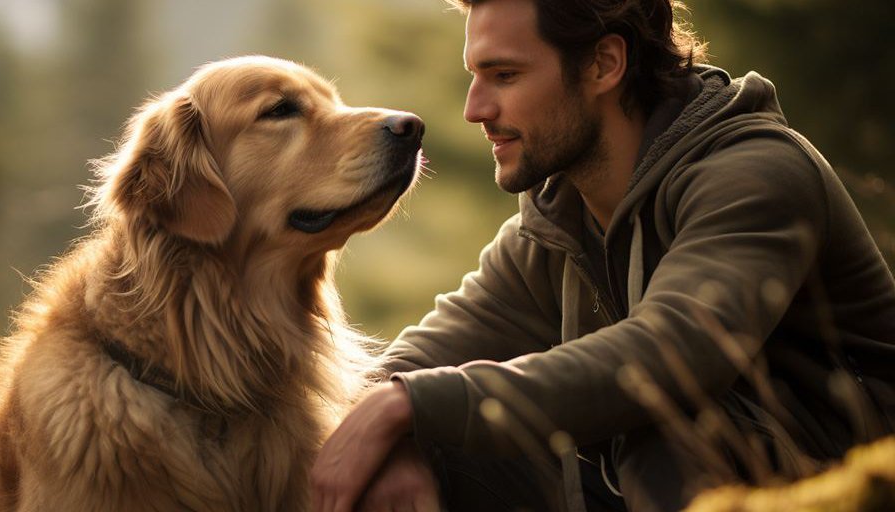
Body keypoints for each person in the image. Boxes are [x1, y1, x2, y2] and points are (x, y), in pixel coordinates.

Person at [311, 0, 895, 510]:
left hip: (841, 481)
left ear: (603, 64)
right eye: (475, 76)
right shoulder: (560, 220)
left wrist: (410, 406)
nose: (475, 108)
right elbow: (426, 353)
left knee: (658, 427)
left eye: (505, 75)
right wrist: (397, 429)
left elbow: (669, 356)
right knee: (432, 448)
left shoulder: (755, 174)